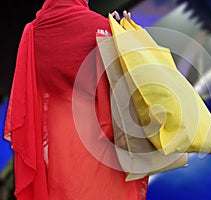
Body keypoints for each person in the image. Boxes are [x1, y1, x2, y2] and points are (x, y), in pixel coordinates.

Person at [4, 0, 148, 199]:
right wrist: (122, 34)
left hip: (57, 149)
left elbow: (29, 95)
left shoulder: (34, 33)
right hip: (103, 146)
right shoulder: (104, 27)